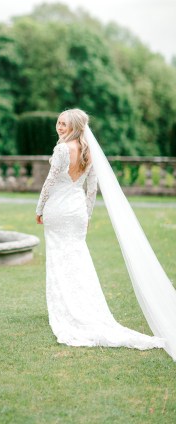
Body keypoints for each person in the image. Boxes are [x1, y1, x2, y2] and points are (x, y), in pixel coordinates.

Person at [36, 108, 165, 351]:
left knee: (60, 258)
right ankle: (82, 305)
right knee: (77, 258)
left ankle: (67, 309)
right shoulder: (88, 150)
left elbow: (50, 181)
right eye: (58, 123)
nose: (59, 127)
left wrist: (39, 208)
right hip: (76, 211)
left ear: (75, 126)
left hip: (58, 209)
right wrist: (87, 214)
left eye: (64, 124)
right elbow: (92, 188)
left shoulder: (63, 149)